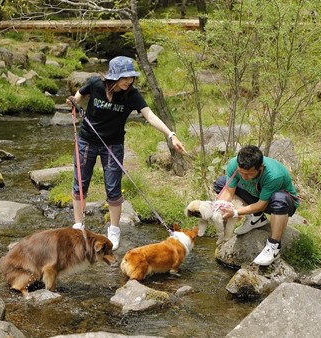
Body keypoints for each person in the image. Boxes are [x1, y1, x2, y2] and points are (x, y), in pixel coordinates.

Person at [66, 56, 187, 250]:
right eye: (125, 77)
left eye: (131, 77)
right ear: (113, 77)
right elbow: (79, 94)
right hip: (87, 140)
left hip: (112, 145)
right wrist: (74, 101)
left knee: (113, 188)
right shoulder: (95, 84)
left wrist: (171, 134)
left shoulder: (132, 95)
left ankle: (114, 229)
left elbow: (149, 115)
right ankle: (78, 226)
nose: (128, 81)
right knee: (80, 183)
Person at [215, 145, 299, 266]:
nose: (244, 177)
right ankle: (256, 218)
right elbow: (229, 191)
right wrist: (219, 208)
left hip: (281, 203)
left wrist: (236, 212)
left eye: (249, 174)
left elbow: (261, 205)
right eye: (241, 173)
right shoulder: (234, 164)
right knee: (221, 183)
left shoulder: (273, 175)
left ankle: (273, 246)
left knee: (279, 199)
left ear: (260, 168)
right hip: (257, 194)